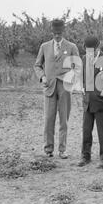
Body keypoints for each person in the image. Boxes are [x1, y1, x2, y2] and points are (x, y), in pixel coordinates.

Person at [34, 19, 80, 159]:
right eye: (54, 33)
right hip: (49, 87)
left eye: (59, 33)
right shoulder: (45, 46)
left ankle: (62, 149)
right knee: (48, 119)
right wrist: (42, 77)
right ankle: (48, 149)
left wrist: (71, 78)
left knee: (63, 120)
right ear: (51, 32)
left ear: (63, 32)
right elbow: (37, 65)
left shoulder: (71, 46)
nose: (57, 36)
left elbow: (77, 66)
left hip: (65, 88)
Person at [77, 36, 103, 169]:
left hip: (102, 101)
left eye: (92, 50)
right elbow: (82, 76)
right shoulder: (84, 59)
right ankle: (85, 155)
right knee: (86, 130)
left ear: (98, 48)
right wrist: (82, 87)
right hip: (87, 101)